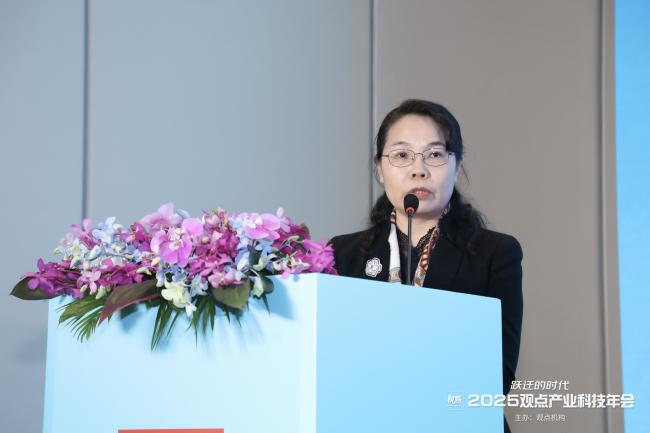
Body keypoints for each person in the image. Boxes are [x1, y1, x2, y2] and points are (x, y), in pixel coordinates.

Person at [329, 99, 523, 433]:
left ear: (457, 166)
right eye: (402, 155)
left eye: (434, 154)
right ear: (380, 169)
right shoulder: (342, 253)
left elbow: (498, 376)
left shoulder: (495, 253)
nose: (418, 169)